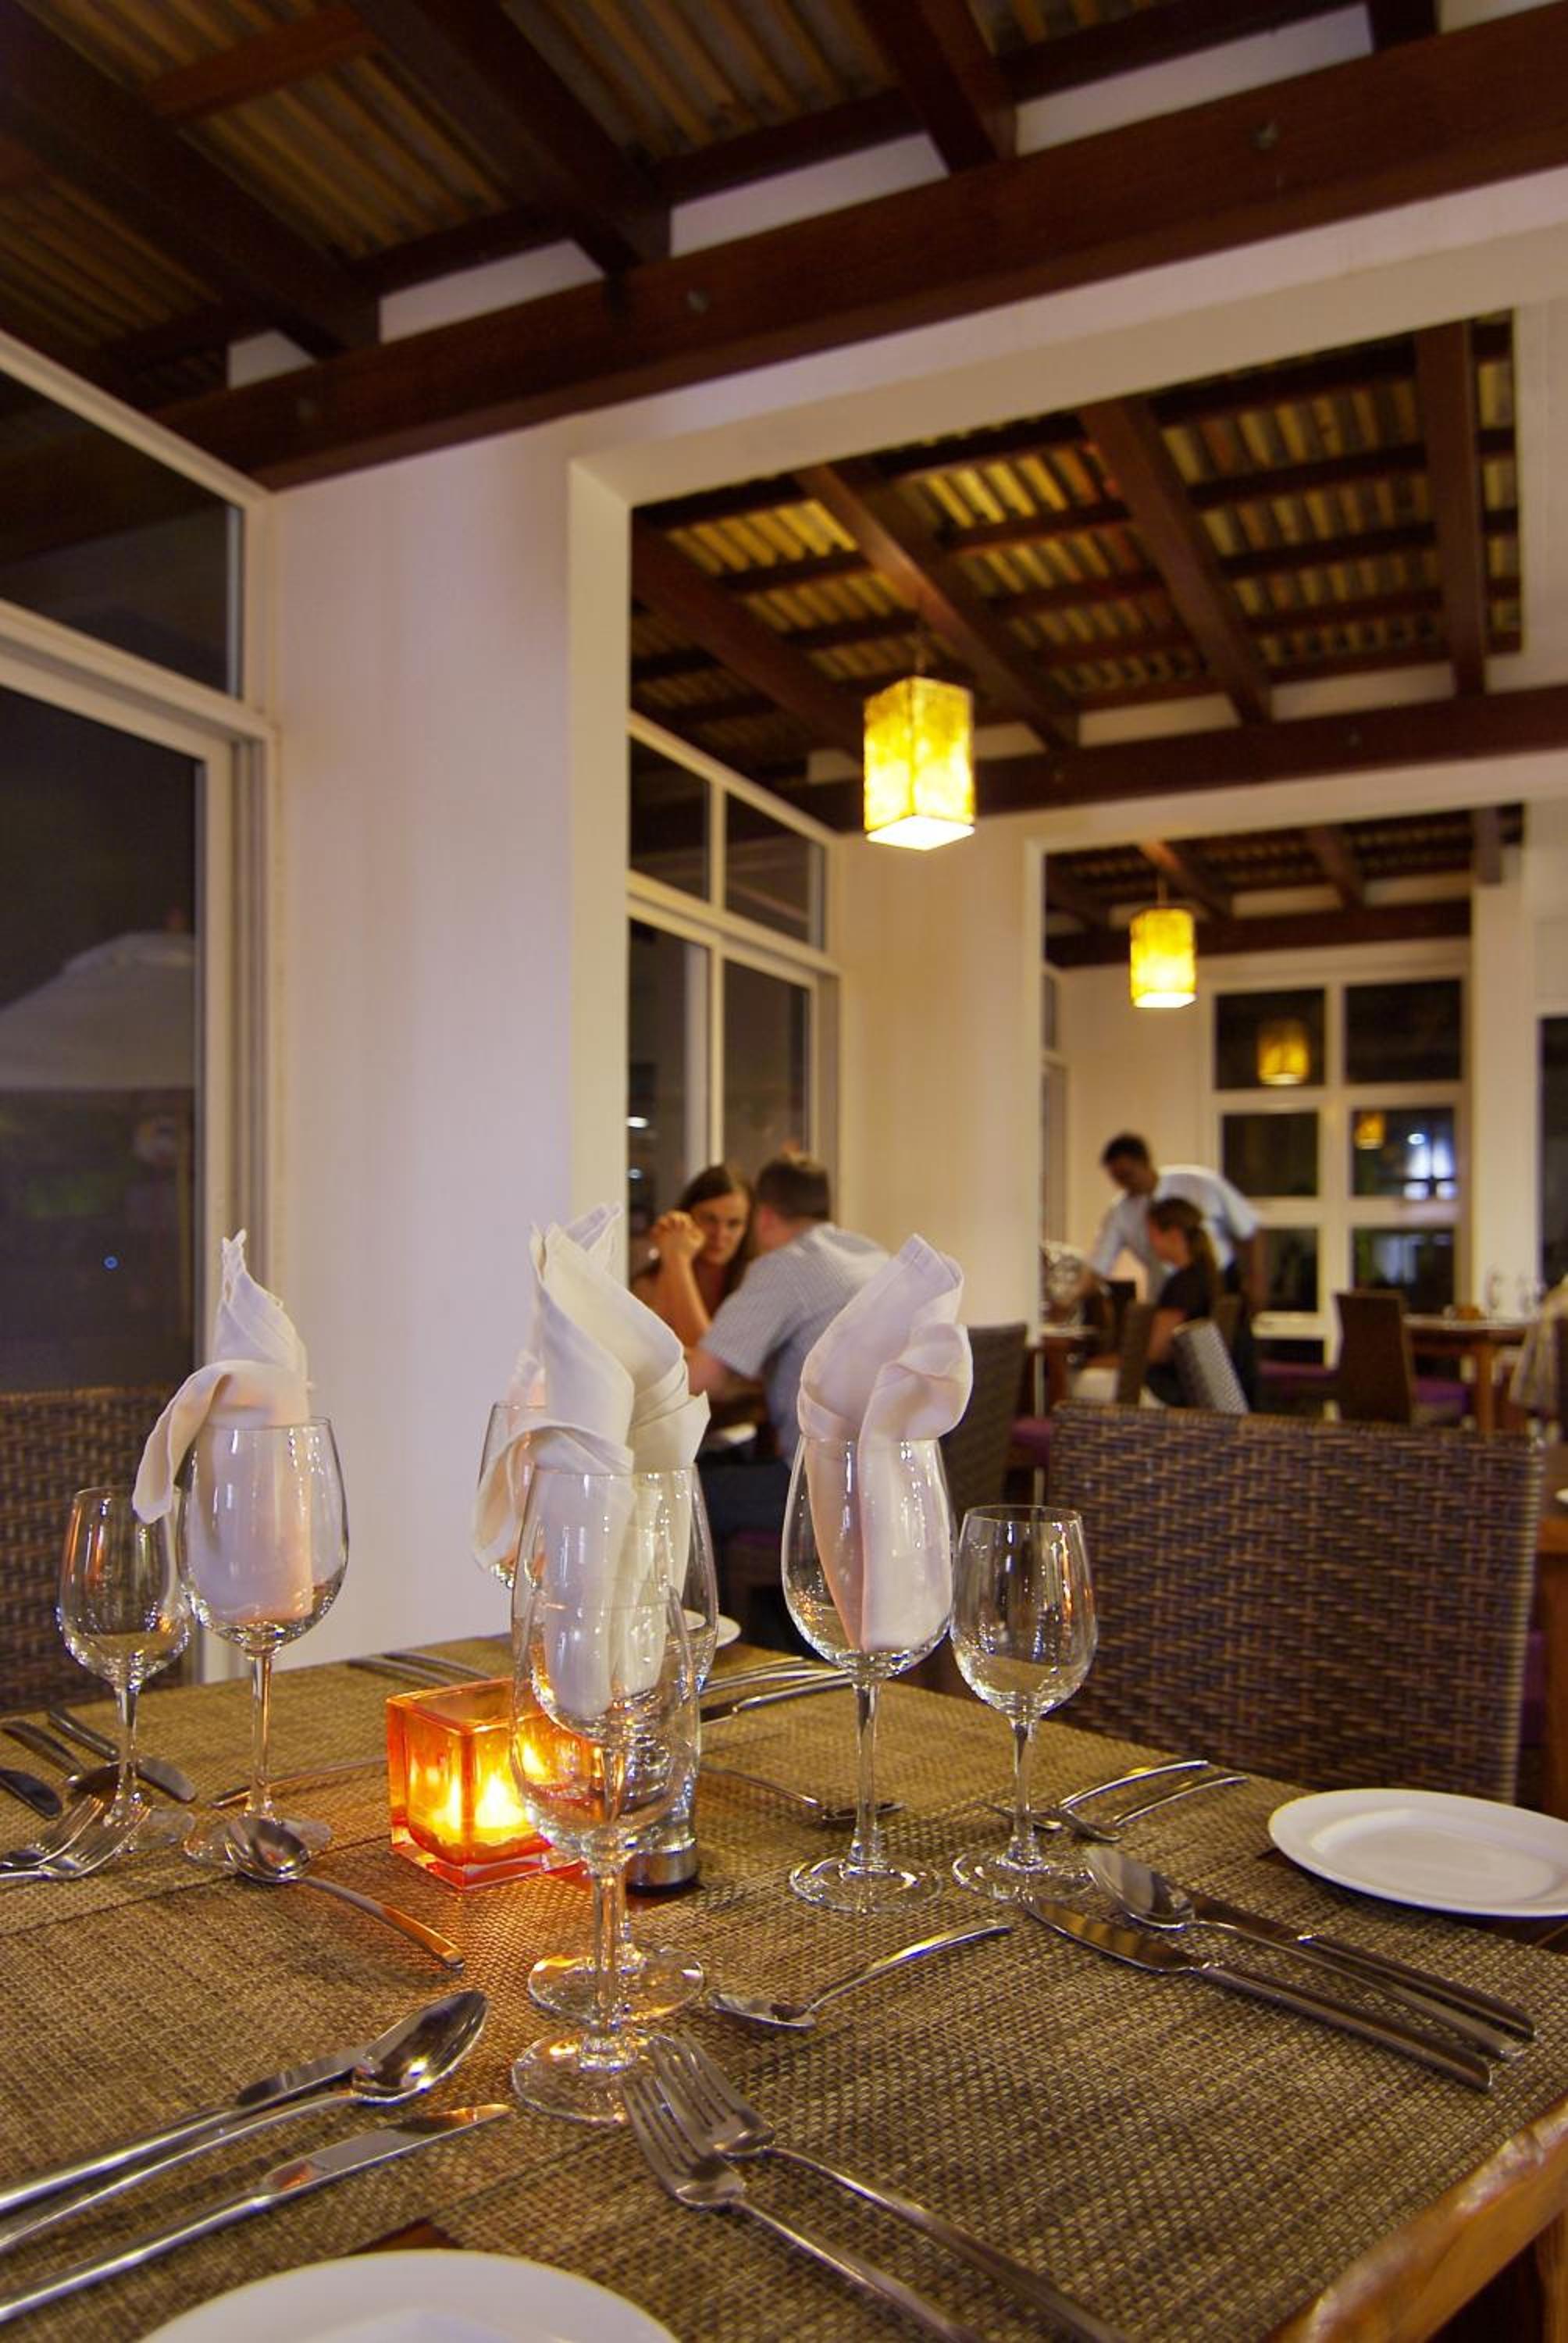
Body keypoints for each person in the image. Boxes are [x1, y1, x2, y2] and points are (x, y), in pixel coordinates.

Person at [684, 1154, 887, 1554]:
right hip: (890, 1483)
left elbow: (701, 1380)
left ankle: (715, 1598)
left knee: (685, 1491)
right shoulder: (872, 1257)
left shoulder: (786, 1266)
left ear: (763, 1217)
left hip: (825, 1490)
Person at [1085, 1132, 1265, 1314]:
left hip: (1219, 1281)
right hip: (1168, 1290)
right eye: (1117, 1179)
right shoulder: (1120, 1212)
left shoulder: (1199, 1184)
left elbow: (1249, 1229)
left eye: (1127, 1175)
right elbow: (1099, 1264)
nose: (1124, 1184)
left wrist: (1256, 1282)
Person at [1143, 1194, 1257, 1406]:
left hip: (1174, 1394)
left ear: (1173, 1235)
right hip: (1207, 1391)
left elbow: (1156, 1351)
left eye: (1152, 1234)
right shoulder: (1212, 1278)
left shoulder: (1184, 1285)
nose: (1149, 1242)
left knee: (1082, 1383)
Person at [632, 1163, 752, 1345]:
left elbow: (709, 1354)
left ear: (747, 1227)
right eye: (710, 1219)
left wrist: (678, 1259)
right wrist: (673, 1255)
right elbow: (651, 1347)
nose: (720, 1234)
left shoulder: (755, 1283)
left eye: (733, 1223)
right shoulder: (649, 1283)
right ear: (689, 1216)